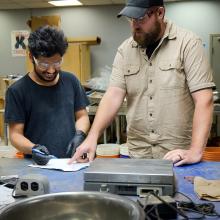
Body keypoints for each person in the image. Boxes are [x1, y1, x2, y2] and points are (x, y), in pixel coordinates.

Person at [70, 0, 215, 166]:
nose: (135, 25)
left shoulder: (188, 43)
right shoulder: (125, 50)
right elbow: (113, 96)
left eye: (140, 18)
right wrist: (92, 137)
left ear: (160, 13)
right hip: (139, 155)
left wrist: (195, 151)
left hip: (178, 156)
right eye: (131, 19)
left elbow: (204, 99)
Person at [5, 26, 90, 163]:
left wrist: (80, 134)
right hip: (37, 165)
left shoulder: (71, 81)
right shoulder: (17, 91)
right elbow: (15, 135)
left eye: (57, 63)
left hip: (71, 162)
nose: (51, 70)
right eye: (43, 64)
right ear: (31, 57)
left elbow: (82, 116)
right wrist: (34, 148)